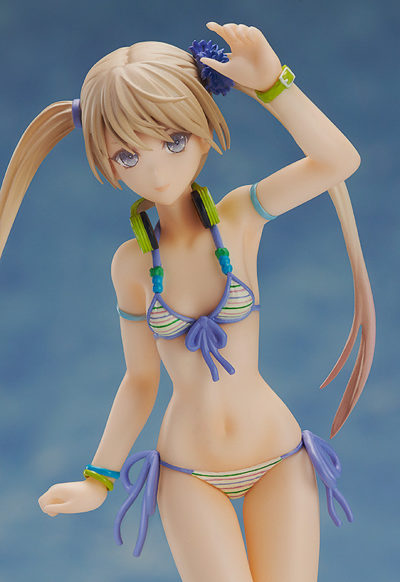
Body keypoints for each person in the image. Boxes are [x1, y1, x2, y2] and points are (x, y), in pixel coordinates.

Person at [0, 21, 375, 582]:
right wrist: (98, 479)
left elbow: (338, 161)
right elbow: (140, 380)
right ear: (105, 159)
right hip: (188, 470)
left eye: (173, 141)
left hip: (277, 453)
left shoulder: (241, 218)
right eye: (127, 155)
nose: (155, 169)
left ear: (201, 127)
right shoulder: (132, 266)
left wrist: (274, 85)